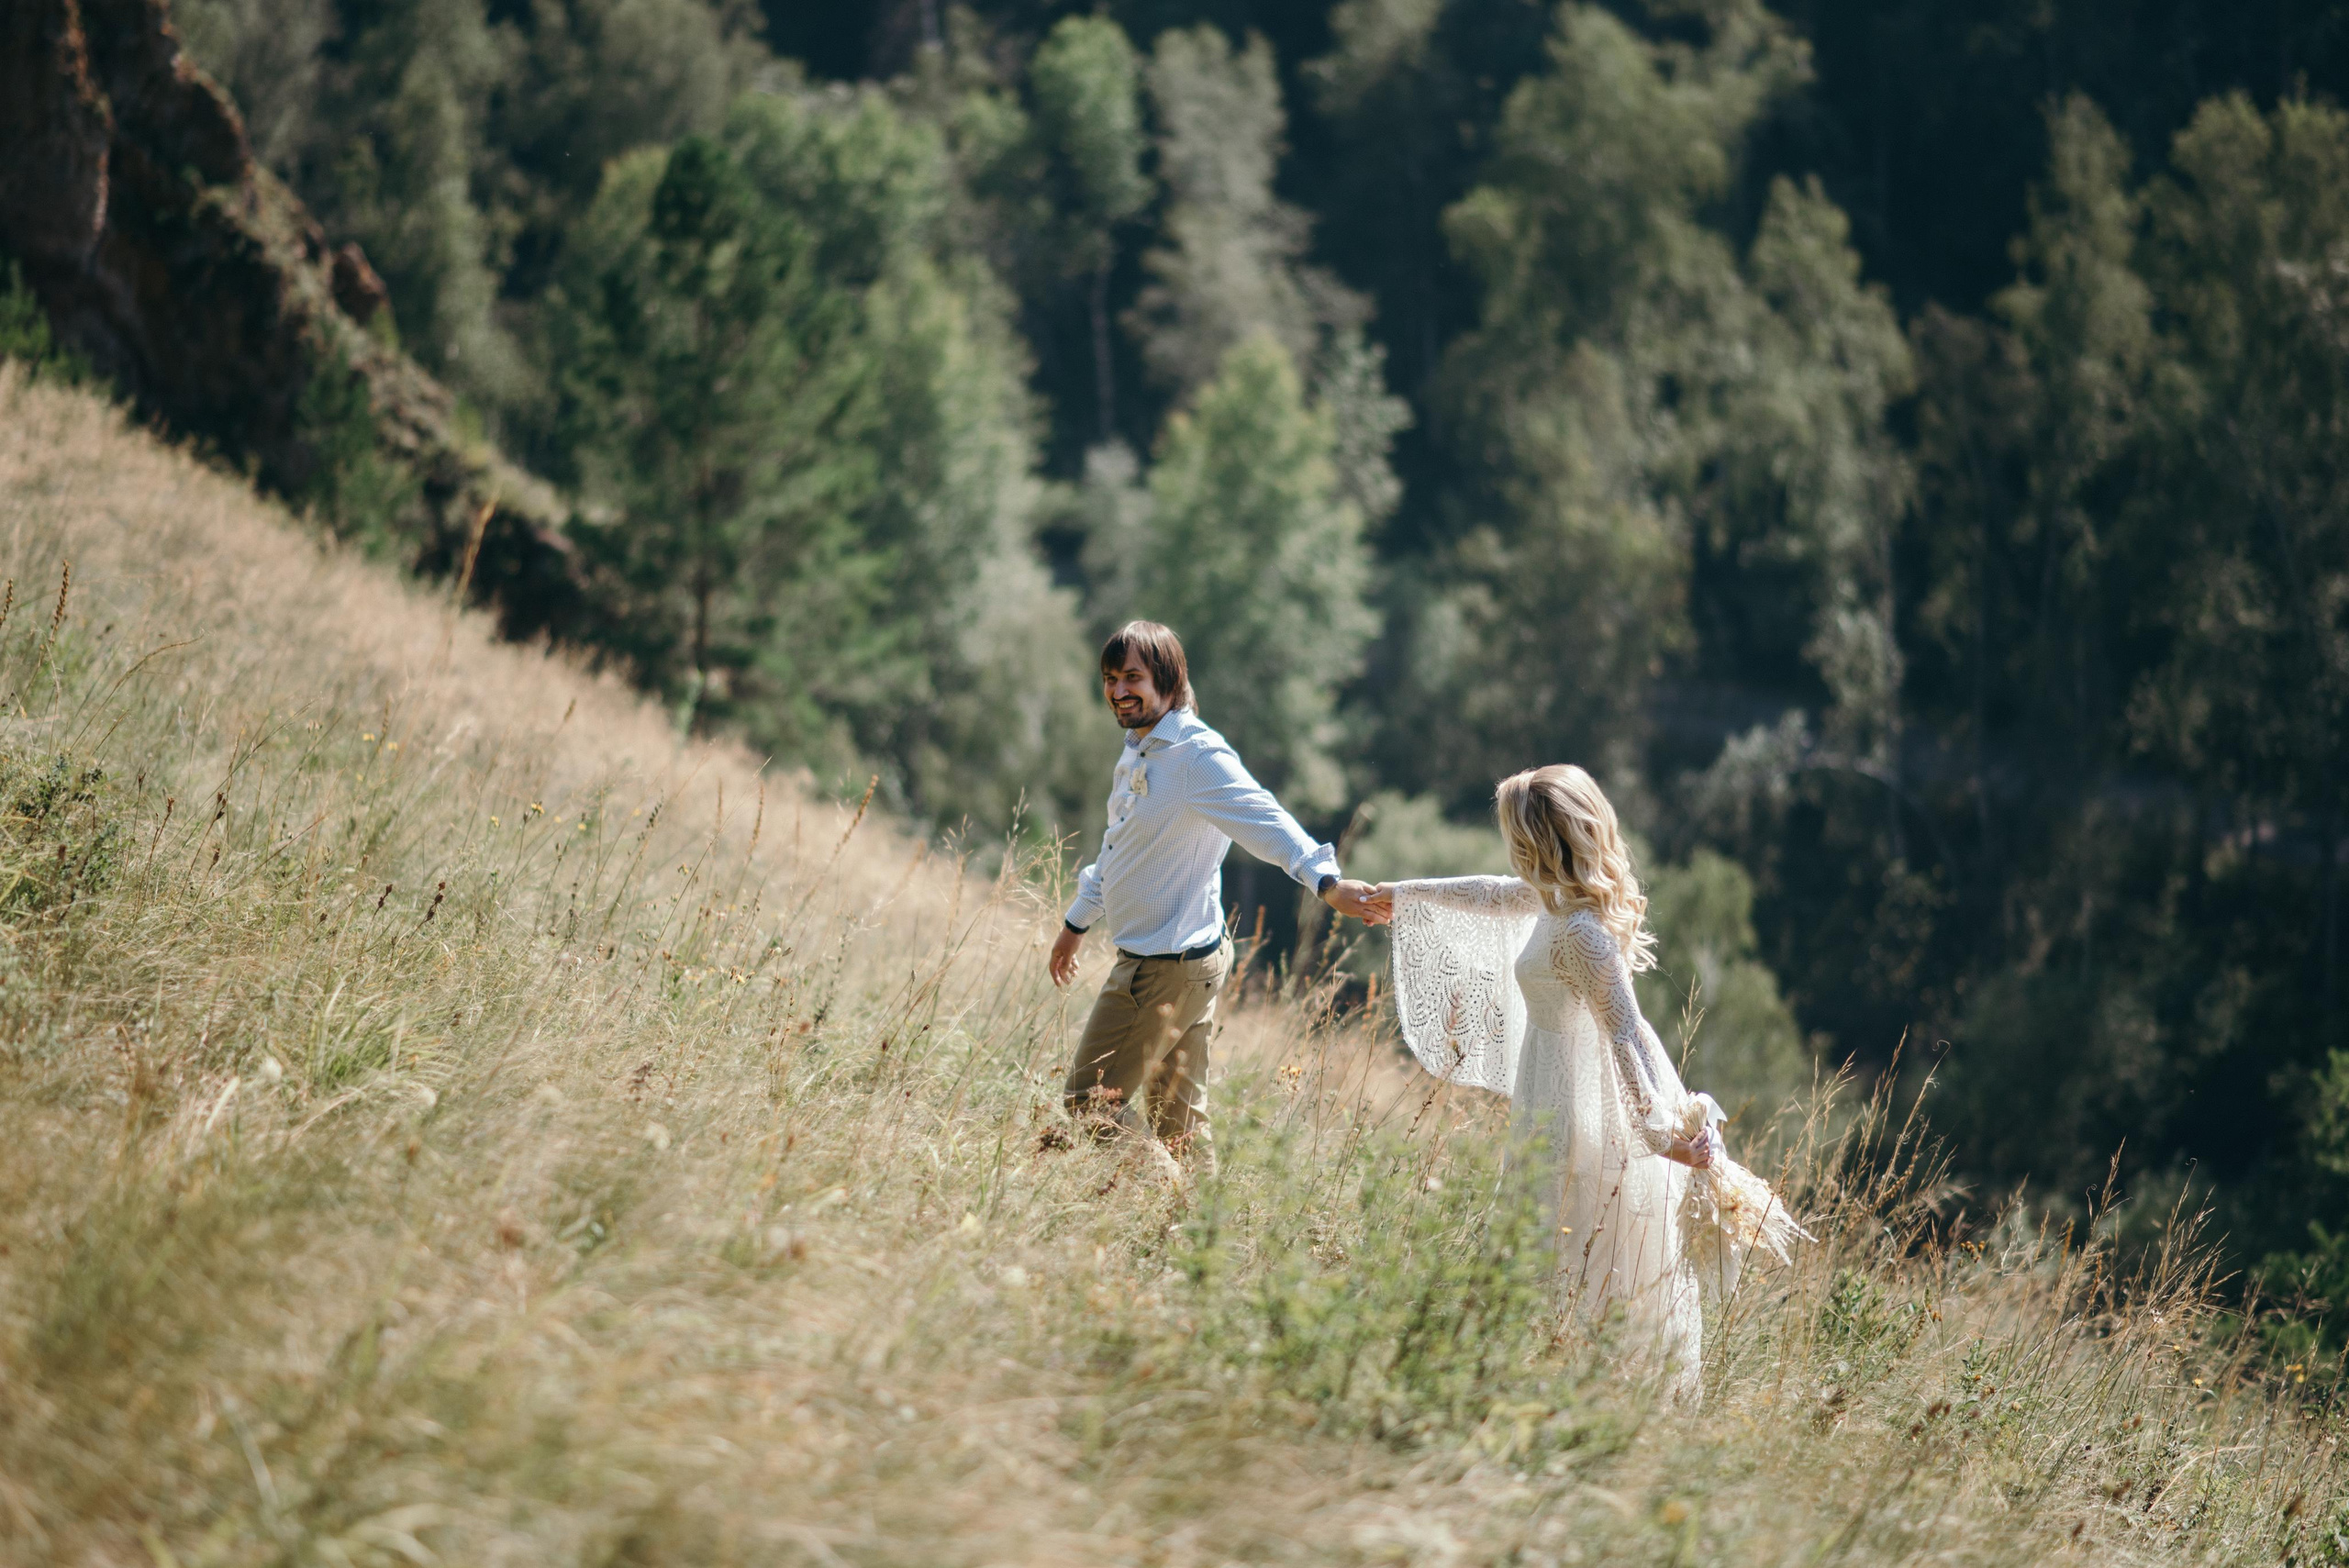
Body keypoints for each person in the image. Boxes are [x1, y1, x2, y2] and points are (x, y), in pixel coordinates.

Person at [1363, 764, 1804, 1401]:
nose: (1508, 850)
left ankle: (1591, 1398)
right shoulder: (1552, 901)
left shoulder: (1581, 934)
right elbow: (1491, 894)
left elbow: (1627, 1033)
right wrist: (1403, 894)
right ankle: (1539, 1386)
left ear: (1539, 842)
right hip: (1549, 1099)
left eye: (1515, 834)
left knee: (1586, 1256)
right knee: (1552, 1250)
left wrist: (1660, 1136)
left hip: (1585, 1111)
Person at [1051, 620, 1381, 1173]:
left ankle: (1167, 1195)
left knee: (1088, 1103)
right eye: (1110, 679)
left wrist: (1325, 882)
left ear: (1168, 680)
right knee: (1178, 1124)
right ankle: (1200, 1242)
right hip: (1189, 958)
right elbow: (1118, 847)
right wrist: (1077, 922)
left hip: (1161, 966)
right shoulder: (1140, 751)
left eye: (1132, 677)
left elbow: (1265, 819)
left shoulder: (1196, 757)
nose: (1118, 691)